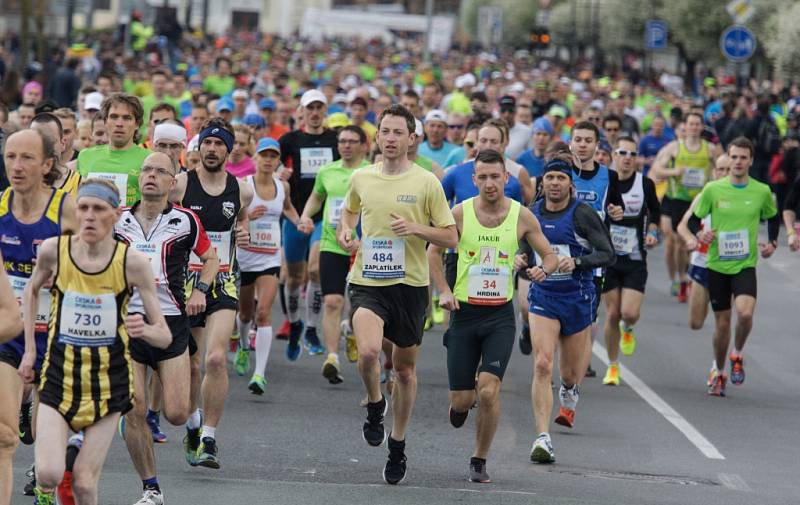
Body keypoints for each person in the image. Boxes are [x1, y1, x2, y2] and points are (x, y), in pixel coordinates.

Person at [21, 178, 172, 505]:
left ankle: (74, 466)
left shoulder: (132, 263)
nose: (89, 216)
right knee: (46, 474)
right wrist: (30, 351)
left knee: (86, 484)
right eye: (83, 208)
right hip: (59, 375)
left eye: (99, 209)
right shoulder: (54, 251)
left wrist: (144, 330)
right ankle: (64, 472)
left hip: (109, 382)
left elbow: (164, 334)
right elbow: (31, 290)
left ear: (115, 215)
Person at [337, 104, 457, 484]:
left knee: (405, 370)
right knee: (370, 351)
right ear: (378, 137)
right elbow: (349, 213)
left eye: (397, 133)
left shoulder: (426, 182)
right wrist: (345, 231)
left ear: (411, 139)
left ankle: (398, 442)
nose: (389, 139)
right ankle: (375, 404)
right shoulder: (361, 178)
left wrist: (417, 229)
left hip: (410, 287)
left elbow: (451, 235)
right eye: (384, 132)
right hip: (368, 281)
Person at [428, 149, 557, 483]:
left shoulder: (522, 216)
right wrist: (442, 290)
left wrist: (544, 269)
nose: (489, 183)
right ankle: (461, 402)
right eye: (482, 177)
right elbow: (434, 251)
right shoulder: (459, 213)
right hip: (464, 314)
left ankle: (479, 458)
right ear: (474, 180)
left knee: (488, 391)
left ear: (506, 178)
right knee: (462, 400)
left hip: (500, 315)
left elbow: (549, 254)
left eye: (494, 177)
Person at [114, 152, 219, 505]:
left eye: (161, 171)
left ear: (172, 182)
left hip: (171, 324)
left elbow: (211, 259)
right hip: (129, 323)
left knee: (174, 413)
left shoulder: (186, 221)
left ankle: (192, 421)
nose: (152, 176)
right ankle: (151, 488)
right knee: (135, 409)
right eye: (147, 170)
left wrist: (201, 291)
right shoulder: (118, 220)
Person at [520, 159, 615, 464]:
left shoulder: (582, 214)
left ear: (570, 184)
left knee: (570, 373)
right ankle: (542, 437)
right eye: (550, 178)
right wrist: (523, 263)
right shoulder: (531, 214)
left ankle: (570, 390)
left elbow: (607, 253)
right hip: (544, 297)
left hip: (577, 297)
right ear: (542, 183)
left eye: (561, 177)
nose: (555, 183)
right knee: (543, 364)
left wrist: (578, 262)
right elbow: (522, 252)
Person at [171, 118, 253, 468]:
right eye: (207, 143)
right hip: (184, 284)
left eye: (219, 144)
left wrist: (244, 229)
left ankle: (209, 438)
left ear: (228, 150)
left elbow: (242, 218)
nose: (212, 149)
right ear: (198, 147)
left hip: (222, 282)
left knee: (216, 359)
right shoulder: (180, 185)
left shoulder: (242, 190)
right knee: (191, 363)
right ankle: (192, 424)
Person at [0, 129, 76, 503]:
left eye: (26, 157)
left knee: (49, 459)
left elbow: (103, 267)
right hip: (9, 334)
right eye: (10, 156)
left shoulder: (69, 210)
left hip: (62, 335)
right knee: (3, 435)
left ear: (47, 164)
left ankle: (51, 483)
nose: (16, 165)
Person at [685, 137, 778, 397]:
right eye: (734, 157)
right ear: (729, 157)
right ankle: (718, 368)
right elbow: (694, 221)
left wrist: (772, 242)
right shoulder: (714, 189)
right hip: (717, 265)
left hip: (745, 264)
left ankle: (737, 353)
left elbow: (772, 216)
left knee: (745, 314)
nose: (737, 162)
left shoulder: (760, 191)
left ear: (751, 160)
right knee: (722, 325)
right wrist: (699, 236)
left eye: (742, 158)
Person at [299, 125, 369, 383]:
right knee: (332, 301)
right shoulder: (327, 170)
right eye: (342, 141)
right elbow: (317, 197)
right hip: (332, 243)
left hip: (363, 246)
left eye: (352, 141)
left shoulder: (372, 172)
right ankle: (332, 357)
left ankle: (350, 329)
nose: (346, 145)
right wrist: (307, 215)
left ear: (364, 145)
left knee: (361, 305)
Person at [278, 89, 339, 359]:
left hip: (324, 216)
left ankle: (312, 329)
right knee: (293, 276)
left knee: (315, 271)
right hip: (294, 214)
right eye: (310, 108)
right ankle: (294, 324)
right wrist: (280, 173)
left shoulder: (336, 139)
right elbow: (269, 168)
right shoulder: (289, 140)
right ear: (301, 112)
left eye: (319, 108)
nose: (314, 113)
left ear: (325, 111)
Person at [237, 138, 300, 393]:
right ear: (255, 158)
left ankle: (259, 374)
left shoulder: (282, 186)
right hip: (244, 258)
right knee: (244, 314)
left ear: (278, 161)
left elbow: (288, 208)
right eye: (263, 155)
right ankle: (243, 346)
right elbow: (232, 217)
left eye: (273, 156)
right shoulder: (244, 187)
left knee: (263, 312)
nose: (268, 160)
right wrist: (248, 217)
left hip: (270, 258)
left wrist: (299, 223)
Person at [600, 138, 661, 385]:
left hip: (635, 256)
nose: (627, 157)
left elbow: (655, 212)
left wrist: (653, 232)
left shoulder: (644, 183)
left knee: (629, 313)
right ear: (613, 154)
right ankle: (613, 367)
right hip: (609, 258)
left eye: (632, 154)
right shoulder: (604, 182)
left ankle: (630, 327)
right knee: (613, 313)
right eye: (622, 152)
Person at [650, 112, 719, 302]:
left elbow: (722, 166)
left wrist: (715, 180)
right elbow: (656, 169)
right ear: (685, 126)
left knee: (692, 243)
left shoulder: (710, 149)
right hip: (676, 199)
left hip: (699, 200)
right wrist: (675, 171)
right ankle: (680, 278)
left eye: (698, 124)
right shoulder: (674, 148)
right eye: (691, 124)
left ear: (701, 127)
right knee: (679, 242)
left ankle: (688, 277)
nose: (694, 127)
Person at [677, 154, 731, 330]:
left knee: (723, 323)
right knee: (696, 323)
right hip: (703, 262)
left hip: (729, 265)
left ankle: (728, 355)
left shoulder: (744, 198)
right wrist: (692, 238)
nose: (724, 173)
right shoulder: (703, 197)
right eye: (721, 169)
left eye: (728, 169)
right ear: (714, 172)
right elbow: (682, 226)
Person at [76, 93, 151, 206]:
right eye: (114, 117)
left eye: (127, 118)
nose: (119, 124)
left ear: (137, 124)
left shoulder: (149, 159)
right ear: (105, 121)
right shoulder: (85, 156)